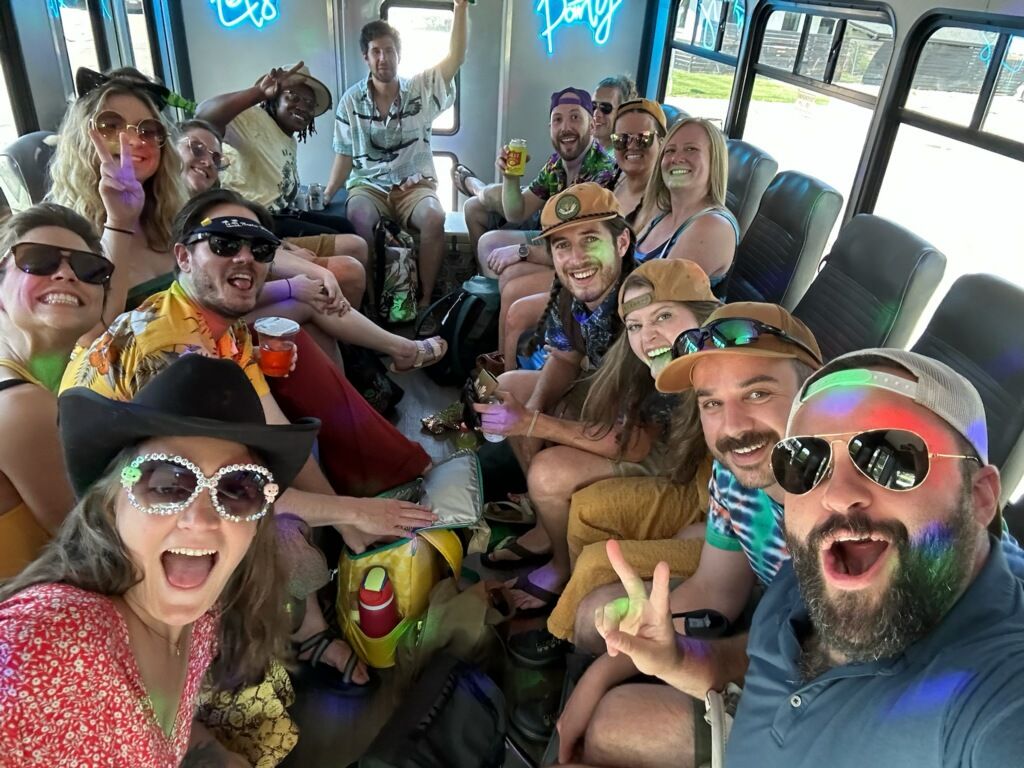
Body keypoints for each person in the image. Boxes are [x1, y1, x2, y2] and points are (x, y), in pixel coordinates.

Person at [61, 188, 439, 687]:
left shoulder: (227, 329)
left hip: (172, 483)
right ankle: (248, 654)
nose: (245, 258)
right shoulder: (173, 348)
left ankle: (305, 627)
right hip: (115, 514)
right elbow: (198, 487)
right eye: (223, 243)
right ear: (183, 257)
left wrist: (346, 516)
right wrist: (350, 512)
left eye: (259, 248)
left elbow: (276, 430)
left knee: (300, 477)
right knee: (282, 536)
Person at [594, 349, 1024, 767]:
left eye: (891, 458)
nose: (836, 495)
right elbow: (759, 664)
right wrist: (676, 659)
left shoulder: (996, 694)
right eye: (807, 463)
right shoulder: (808, 570)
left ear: (980, 496)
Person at [0, 354, 319, 765]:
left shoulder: (203, 621)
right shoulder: (49, 645)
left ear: (257, 521)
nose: (201, 520)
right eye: (167, 484)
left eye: (238, 489)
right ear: (111, 504)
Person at [554, 302, 823, 767]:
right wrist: (600, 673)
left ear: (813, 395)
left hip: (821, 696)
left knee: (614, 725)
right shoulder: (736, 475)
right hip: (774, 633)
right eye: (712, 403)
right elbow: (716, 590)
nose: (733, 427)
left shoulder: (846, 511)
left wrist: (654, 668)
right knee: (595, 617)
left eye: (757, 393)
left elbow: (804, 659)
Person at [484, 259, 720, 616]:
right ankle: (547, 525)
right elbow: (600, 390)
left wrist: (531, 423)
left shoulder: (706, 361)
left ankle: (561, 567)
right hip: (654, 438)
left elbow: (634, 446)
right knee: (517, 389)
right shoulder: (641, 358)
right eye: (635, 325)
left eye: (664, 316)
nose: (648, 335)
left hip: (686, 468)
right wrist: (535, 415)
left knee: (548, 473)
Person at [175, 133, 446, 372]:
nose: (207, 161)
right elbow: (215, 294)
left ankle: (356, 381)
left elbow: (251, 252)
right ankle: (395, 351)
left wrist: (296, 260)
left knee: (334, 270)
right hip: (204, 320)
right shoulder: (173, 217)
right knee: (315, 298)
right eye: (196, 148)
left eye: (216, 157)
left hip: (229, 302)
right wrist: (291, 287)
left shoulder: (209, 205)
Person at [326, 3, 473, 324]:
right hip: (368, 186)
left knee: (434, 217)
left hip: (414, 185)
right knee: (359, 218)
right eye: (376, 52)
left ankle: (424, 302)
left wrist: (460, 8)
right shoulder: (350, 101)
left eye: (390, 51)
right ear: (366, 57)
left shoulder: (419, 91)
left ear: (399, 54)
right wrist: (327, 193)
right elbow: (345, 154)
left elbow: (456, 58)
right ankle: (369, 304)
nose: (384, 58)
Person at [476, 87, 618, 374]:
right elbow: (517, 212)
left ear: (592, 125)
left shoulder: (603, 172)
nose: (565, 127)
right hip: (559, 249)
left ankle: (506, 374)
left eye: (575, 118)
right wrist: (511, 178)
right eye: (557, 120)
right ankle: (509, 360)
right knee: (500, 262)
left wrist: (523, 251)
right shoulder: (556, 165)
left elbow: (581, 248)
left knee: (513, 285)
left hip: (587, 264)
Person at [49, 66, 188, 308]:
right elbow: (94, 329)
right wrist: (119, 223)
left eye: (147, 130)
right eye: (111, 126)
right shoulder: (58, 237)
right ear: (81, 139)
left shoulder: (176, 217)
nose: (132, 140)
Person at [198, 62, 361, 244]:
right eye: (293, 97)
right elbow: (204, 116)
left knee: (344, 226)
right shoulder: (253, 118)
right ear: (274, 98)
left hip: (279, 215)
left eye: (310, 103)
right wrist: (258, 92)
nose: (303, 107)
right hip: (251, 220)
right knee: (350, 243)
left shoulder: (289, 140)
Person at [633, 117, 739, 293]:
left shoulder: (713, 226)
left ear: (714, 162)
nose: (676, 158)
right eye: (670, 150)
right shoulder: (661, 214)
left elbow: (656, 298)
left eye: (691, 149)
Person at [609, 99, 667, 225]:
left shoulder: (668, 203)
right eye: (622, 139)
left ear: (661, 143)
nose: (632, 146)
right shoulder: (605, 182)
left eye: (644, 138)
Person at [592, 74, 638, 152]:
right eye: (593, 106)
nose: (596, 114)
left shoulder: (625, 155)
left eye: (605, 107)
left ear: (622, 113)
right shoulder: (584, 150)